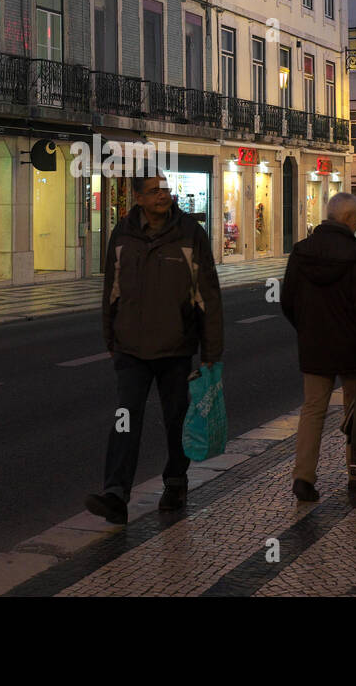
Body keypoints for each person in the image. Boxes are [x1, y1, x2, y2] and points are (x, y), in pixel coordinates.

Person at [86, 171, 224, 525]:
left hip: (175, 347)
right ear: (138, 199)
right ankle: (115, 493)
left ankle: (176, 482)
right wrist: (110, 338)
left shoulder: (190, 233)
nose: (162, 195)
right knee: (125, 419)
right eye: (153, 191)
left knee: (176, 419)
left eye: (165, 189)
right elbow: (110, 290)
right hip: (130, 348)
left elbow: (207, 292)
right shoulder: (122, 234)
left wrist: (211, 351)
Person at [282, 193, 356, 501]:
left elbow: (287, 300)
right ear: (346, 219)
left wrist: (306, 329)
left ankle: (303, 477)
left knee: (312, 411)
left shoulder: (301, 251)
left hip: (315, 345)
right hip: (353, 347)